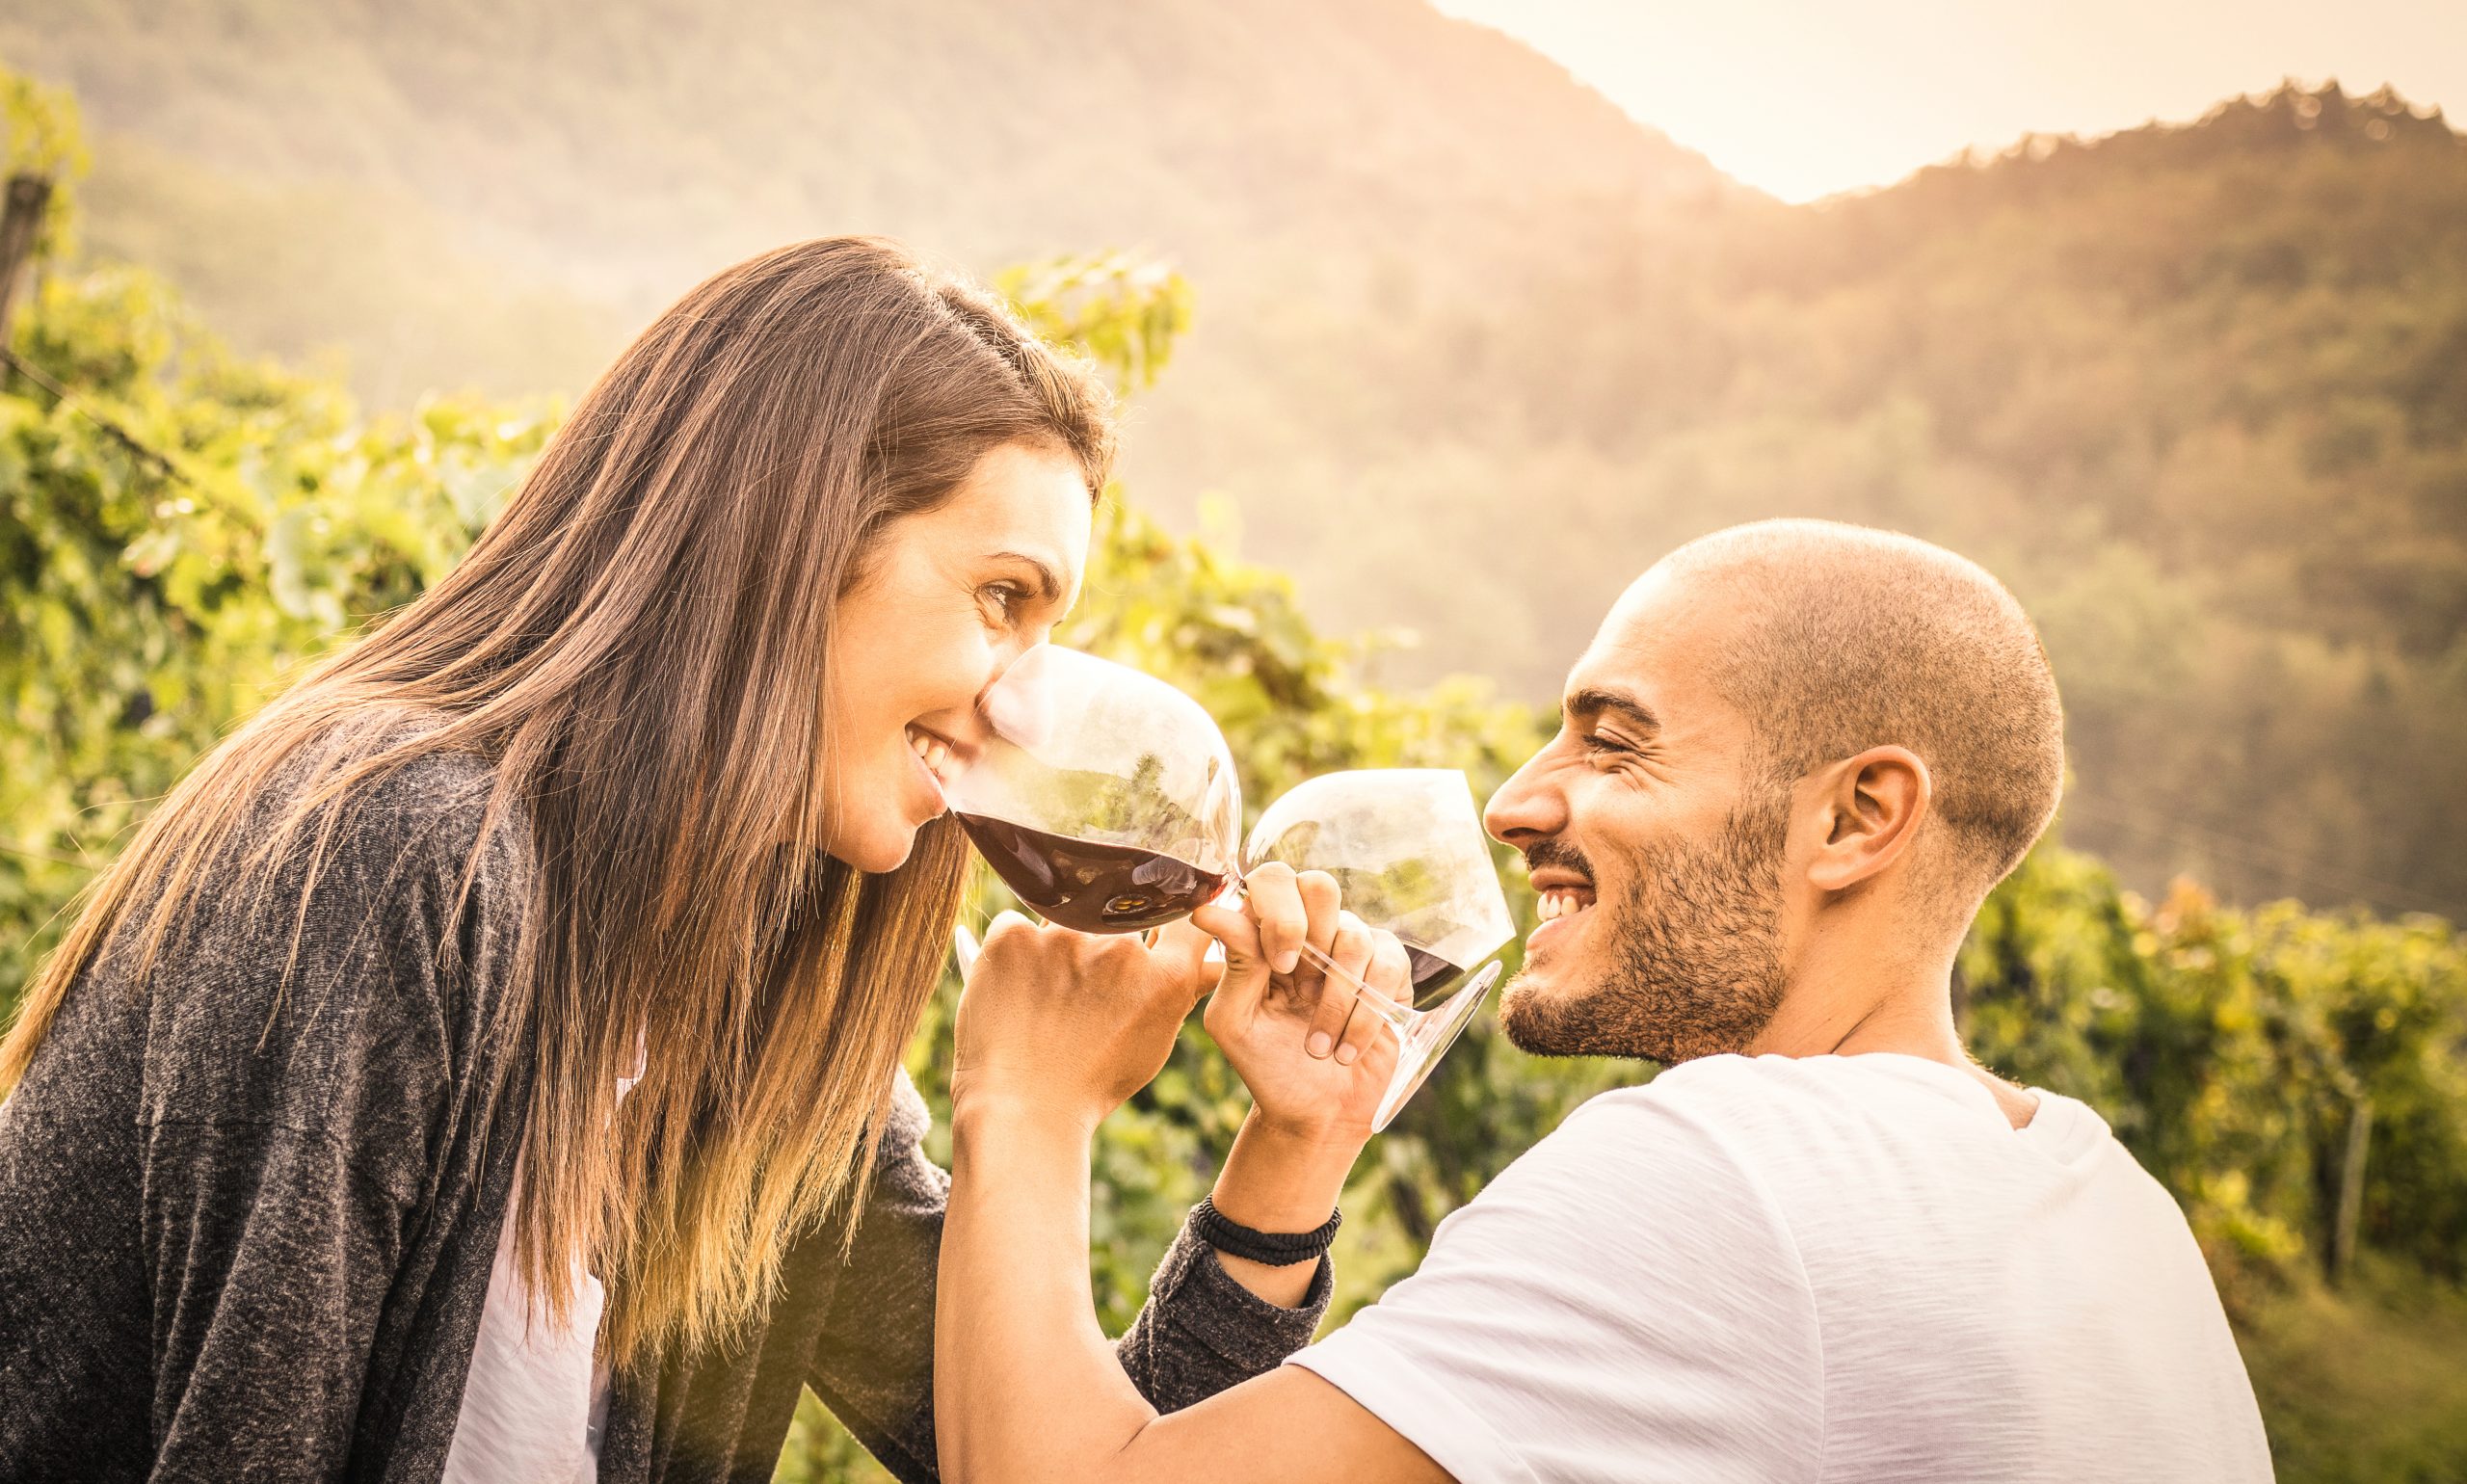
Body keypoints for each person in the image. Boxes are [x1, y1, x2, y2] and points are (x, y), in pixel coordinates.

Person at [0, 237, 1400, 1483]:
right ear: (792, 535)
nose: (1023, 701)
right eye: (999, 598)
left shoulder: (754, 1022)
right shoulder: (397, 853)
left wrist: (1284, 1159)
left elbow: (1055, 1461)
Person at [935, 519, 2276, 1483]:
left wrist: (1027, 1103)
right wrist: (1297, 1152)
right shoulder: (2111, 1207)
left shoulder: (1728, 1179)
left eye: (1614, 740)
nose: (1518, 803)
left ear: (1859, 818)